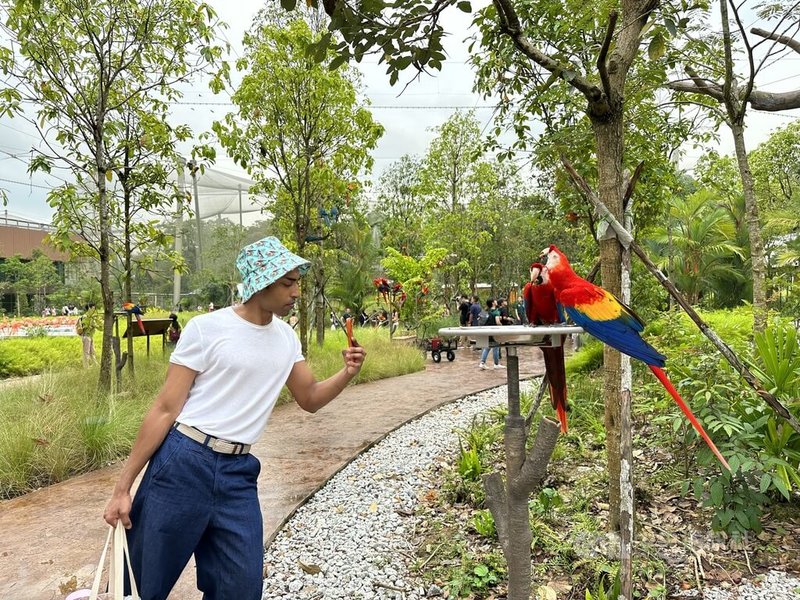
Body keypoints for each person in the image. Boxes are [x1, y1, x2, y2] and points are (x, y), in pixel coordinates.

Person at [102, 236, 366, 600]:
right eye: (288, 283)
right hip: (183, 463)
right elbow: (165, 408)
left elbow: (310, 398)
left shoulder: (286, 338)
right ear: (260, 282)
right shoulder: (206, 329)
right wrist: (122, 488)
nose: (296, 292)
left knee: (240, 586)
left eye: (298, 283)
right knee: (143, 583)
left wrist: (347, 373)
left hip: (238, 474)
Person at [478, 299, 503, 370]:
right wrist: (502, 327)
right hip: (494, 332)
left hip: (485, 331)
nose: (496, 302)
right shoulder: (496, 311)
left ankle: (482, 363)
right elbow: (497, 322)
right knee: (496, 347)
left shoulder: (486, 311)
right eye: (495, 301)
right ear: (493, 303)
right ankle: (496, 364)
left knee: (487, 347)